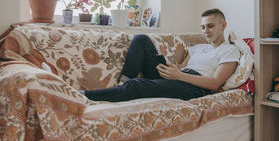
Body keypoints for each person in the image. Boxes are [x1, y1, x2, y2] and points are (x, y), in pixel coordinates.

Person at [83, 8, 240, 102]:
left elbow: (215, 83)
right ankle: (123, 83)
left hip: (194, 88)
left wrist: (178, 75)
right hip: (179, 78)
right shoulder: (197, 48)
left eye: (210, 26)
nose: (206, 31)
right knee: (141, 39)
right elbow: (180, 69)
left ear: (223, 25)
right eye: (203, 27)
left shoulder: (229, 50)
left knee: (138, 84)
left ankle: (85, 96)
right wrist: (173, 70)